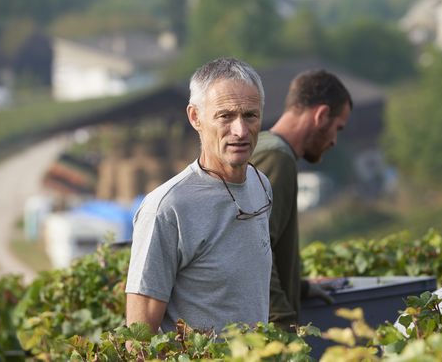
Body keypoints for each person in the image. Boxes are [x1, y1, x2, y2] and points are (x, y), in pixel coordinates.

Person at [125, 57, 273, 333]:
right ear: (195, 117)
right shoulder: (168, 208)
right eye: (225, 116)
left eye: (250, 115)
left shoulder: (260, 185)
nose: (240, 131)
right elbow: (138, 336)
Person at [250, 69, 353, 327]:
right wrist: (283, 324)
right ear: (321, 115)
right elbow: (254, 248)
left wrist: (300, 287)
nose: (334, 141)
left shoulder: (264, 147)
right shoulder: (277, 158)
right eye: (337, 128)